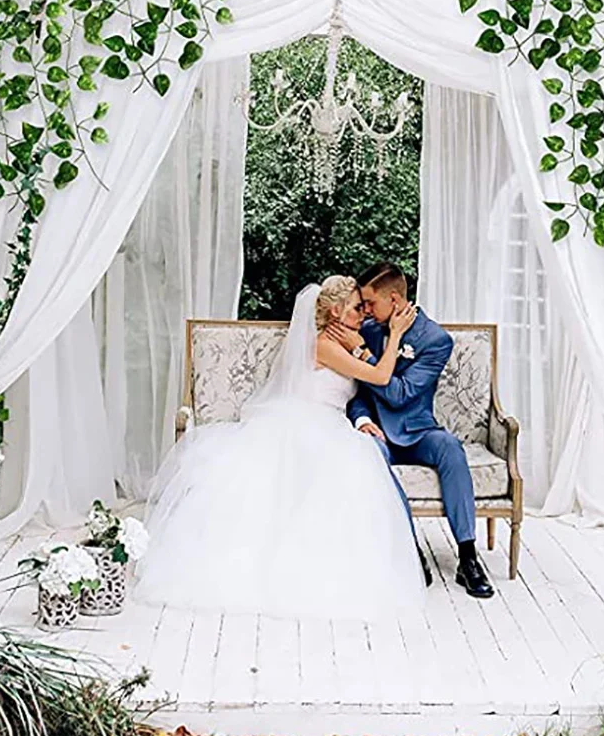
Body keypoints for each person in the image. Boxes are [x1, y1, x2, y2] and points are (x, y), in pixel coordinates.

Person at [133, 277, 426, 621]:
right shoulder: (324, 345)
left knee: (352, 468)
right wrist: (394, 335)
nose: (362, 313)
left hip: (327, 423)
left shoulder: (340, 343)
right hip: (309, 423)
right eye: (355, 307)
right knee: (343, 470)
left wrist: (359, 350)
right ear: (335, 311)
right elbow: (380, 377)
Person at [334, 262, 494, 599]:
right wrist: (362, 420)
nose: (365, 310)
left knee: (450, 447)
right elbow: (357, 392)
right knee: (370, 454)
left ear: (394, 300)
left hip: (418, 431)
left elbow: (401, 393)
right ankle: (411, 551)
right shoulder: (369, 330)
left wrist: (365, 354)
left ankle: (468, 556)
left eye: (370, 303)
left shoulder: (435, 339)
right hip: (378, 432)